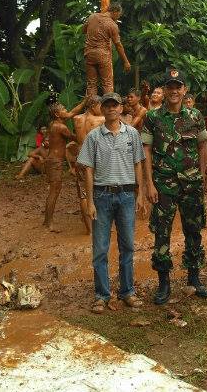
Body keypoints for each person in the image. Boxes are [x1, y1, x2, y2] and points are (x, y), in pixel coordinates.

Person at [142, 68, 207, 305]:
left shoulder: (195, 116)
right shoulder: (153, 117)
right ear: (165, 90)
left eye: (178, 86)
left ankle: (194, 278)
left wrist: (201, 177)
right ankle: (164, 283)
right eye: (170, 87)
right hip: (164, 185)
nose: (173, 91)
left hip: (192, 184)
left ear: (184, 90)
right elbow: (146, 151)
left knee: (193, 230)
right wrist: (149, 184)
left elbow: (203, 147)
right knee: (162, 233)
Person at [77, 92, 145, 312]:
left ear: (120, 108)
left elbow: (138, 164)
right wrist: (89, 201)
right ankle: (102, 295)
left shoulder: (132, 134)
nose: (111, 109)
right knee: (100, 248)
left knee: (127, 246)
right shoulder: (94, 136)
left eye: (115, 105)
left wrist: (140, 193)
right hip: (102, 195)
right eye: (107, 106)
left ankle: (127, 292)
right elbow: (88, 169)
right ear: (103, 109)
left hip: (126, 195)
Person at [43, 100, 84, 231]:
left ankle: (46, 221)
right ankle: (49, 223)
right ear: (57, 114)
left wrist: (85, 101)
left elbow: (72, 113)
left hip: (52, 160)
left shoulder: (53, 123)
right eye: (64, 110)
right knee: (54, 192)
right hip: (55, 162)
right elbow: (75, 138)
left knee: (53, 191)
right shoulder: (61, 127)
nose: (67, 111)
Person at [68, 96, 106, 234]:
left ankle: (89, 230)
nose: (101, 109)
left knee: (83, 194)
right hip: (96, 157)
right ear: (93, 105)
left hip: (80, 157)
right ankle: (101, 226)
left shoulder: (76, 119)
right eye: (100, 105)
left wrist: (83, 101)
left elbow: (70, 114)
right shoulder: (101, 120)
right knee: (100, 190)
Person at [83, 3, 131, 97]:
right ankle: (109, 108)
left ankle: (91, 108)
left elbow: (84, 30)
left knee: (91, 84)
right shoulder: (112, 25)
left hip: (89, 54)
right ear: (115, 11)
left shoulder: (92, 16)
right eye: (118, 15)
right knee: (107, 83)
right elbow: (118, 45)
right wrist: (126, 61)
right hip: (103, 55)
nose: (118, 17)